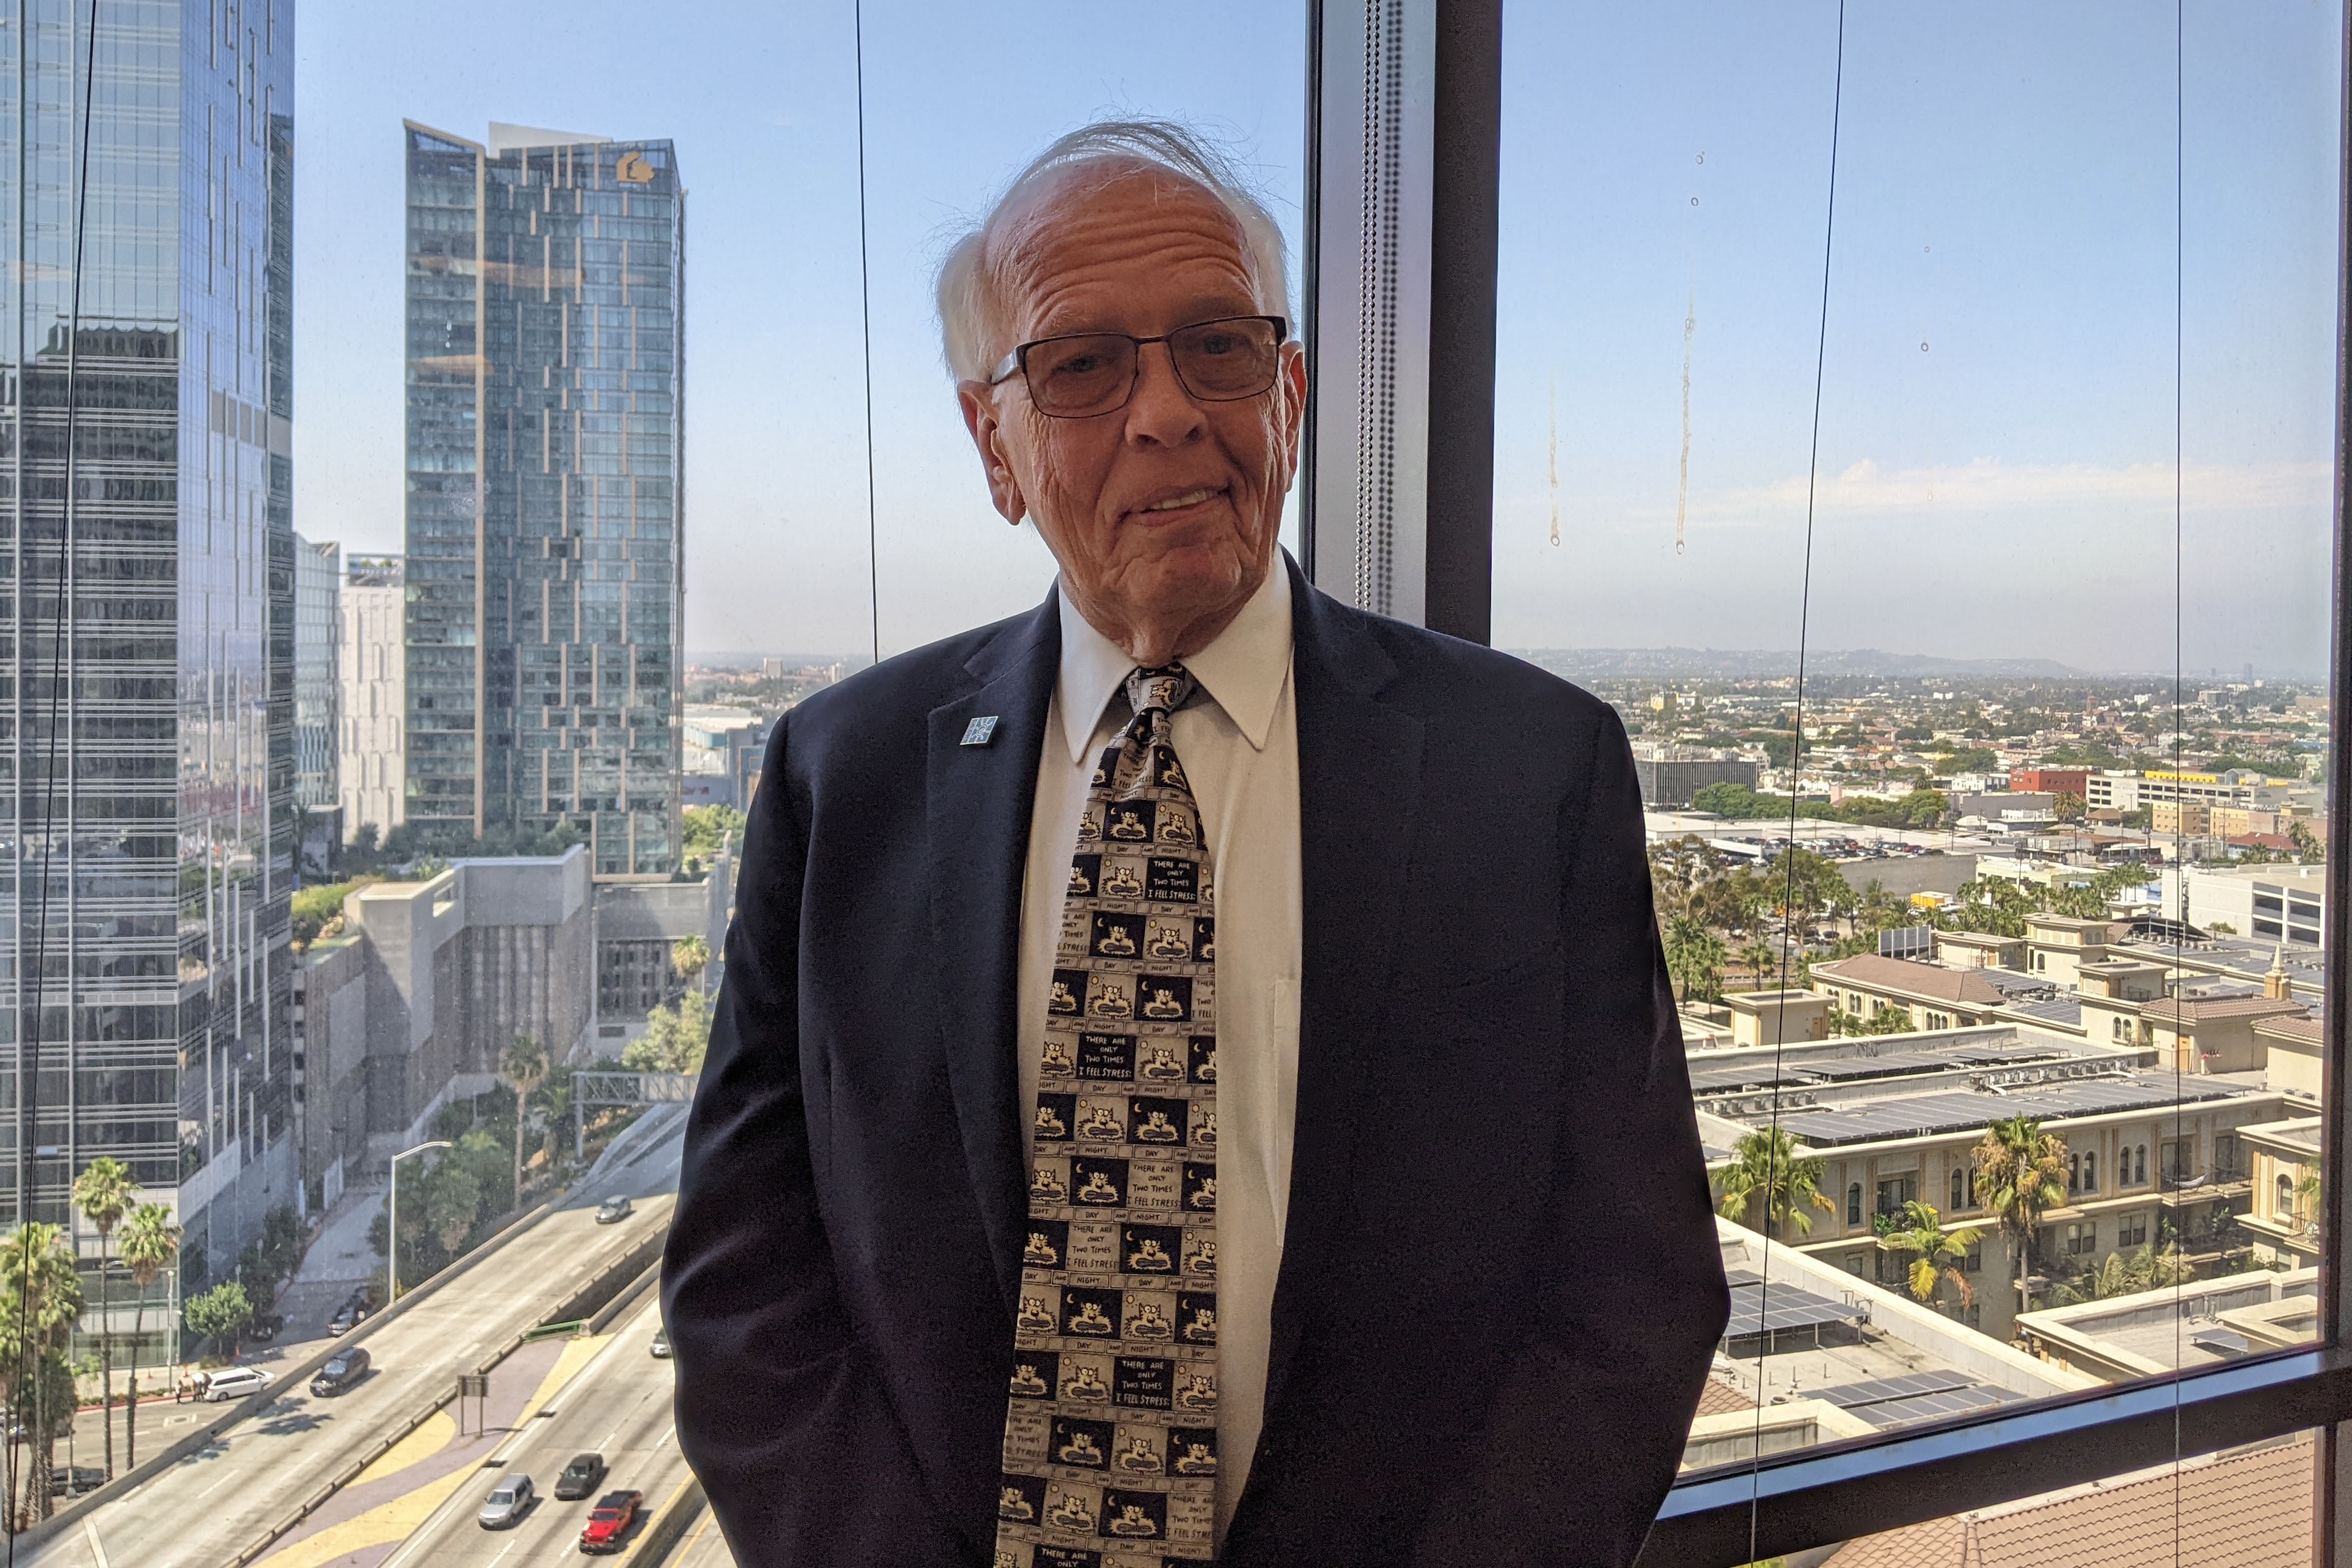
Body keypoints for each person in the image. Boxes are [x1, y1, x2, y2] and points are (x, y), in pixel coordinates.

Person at [663, 119, 1728, 1567]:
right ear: (996, 442)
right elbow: (745, 1283)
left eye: (1217, 347)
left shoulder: (1532, 769)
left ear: (1287, 393)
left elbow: (1632, 1293)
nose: (1167, 412)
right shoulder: (837, 777)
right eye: (1084, 366)